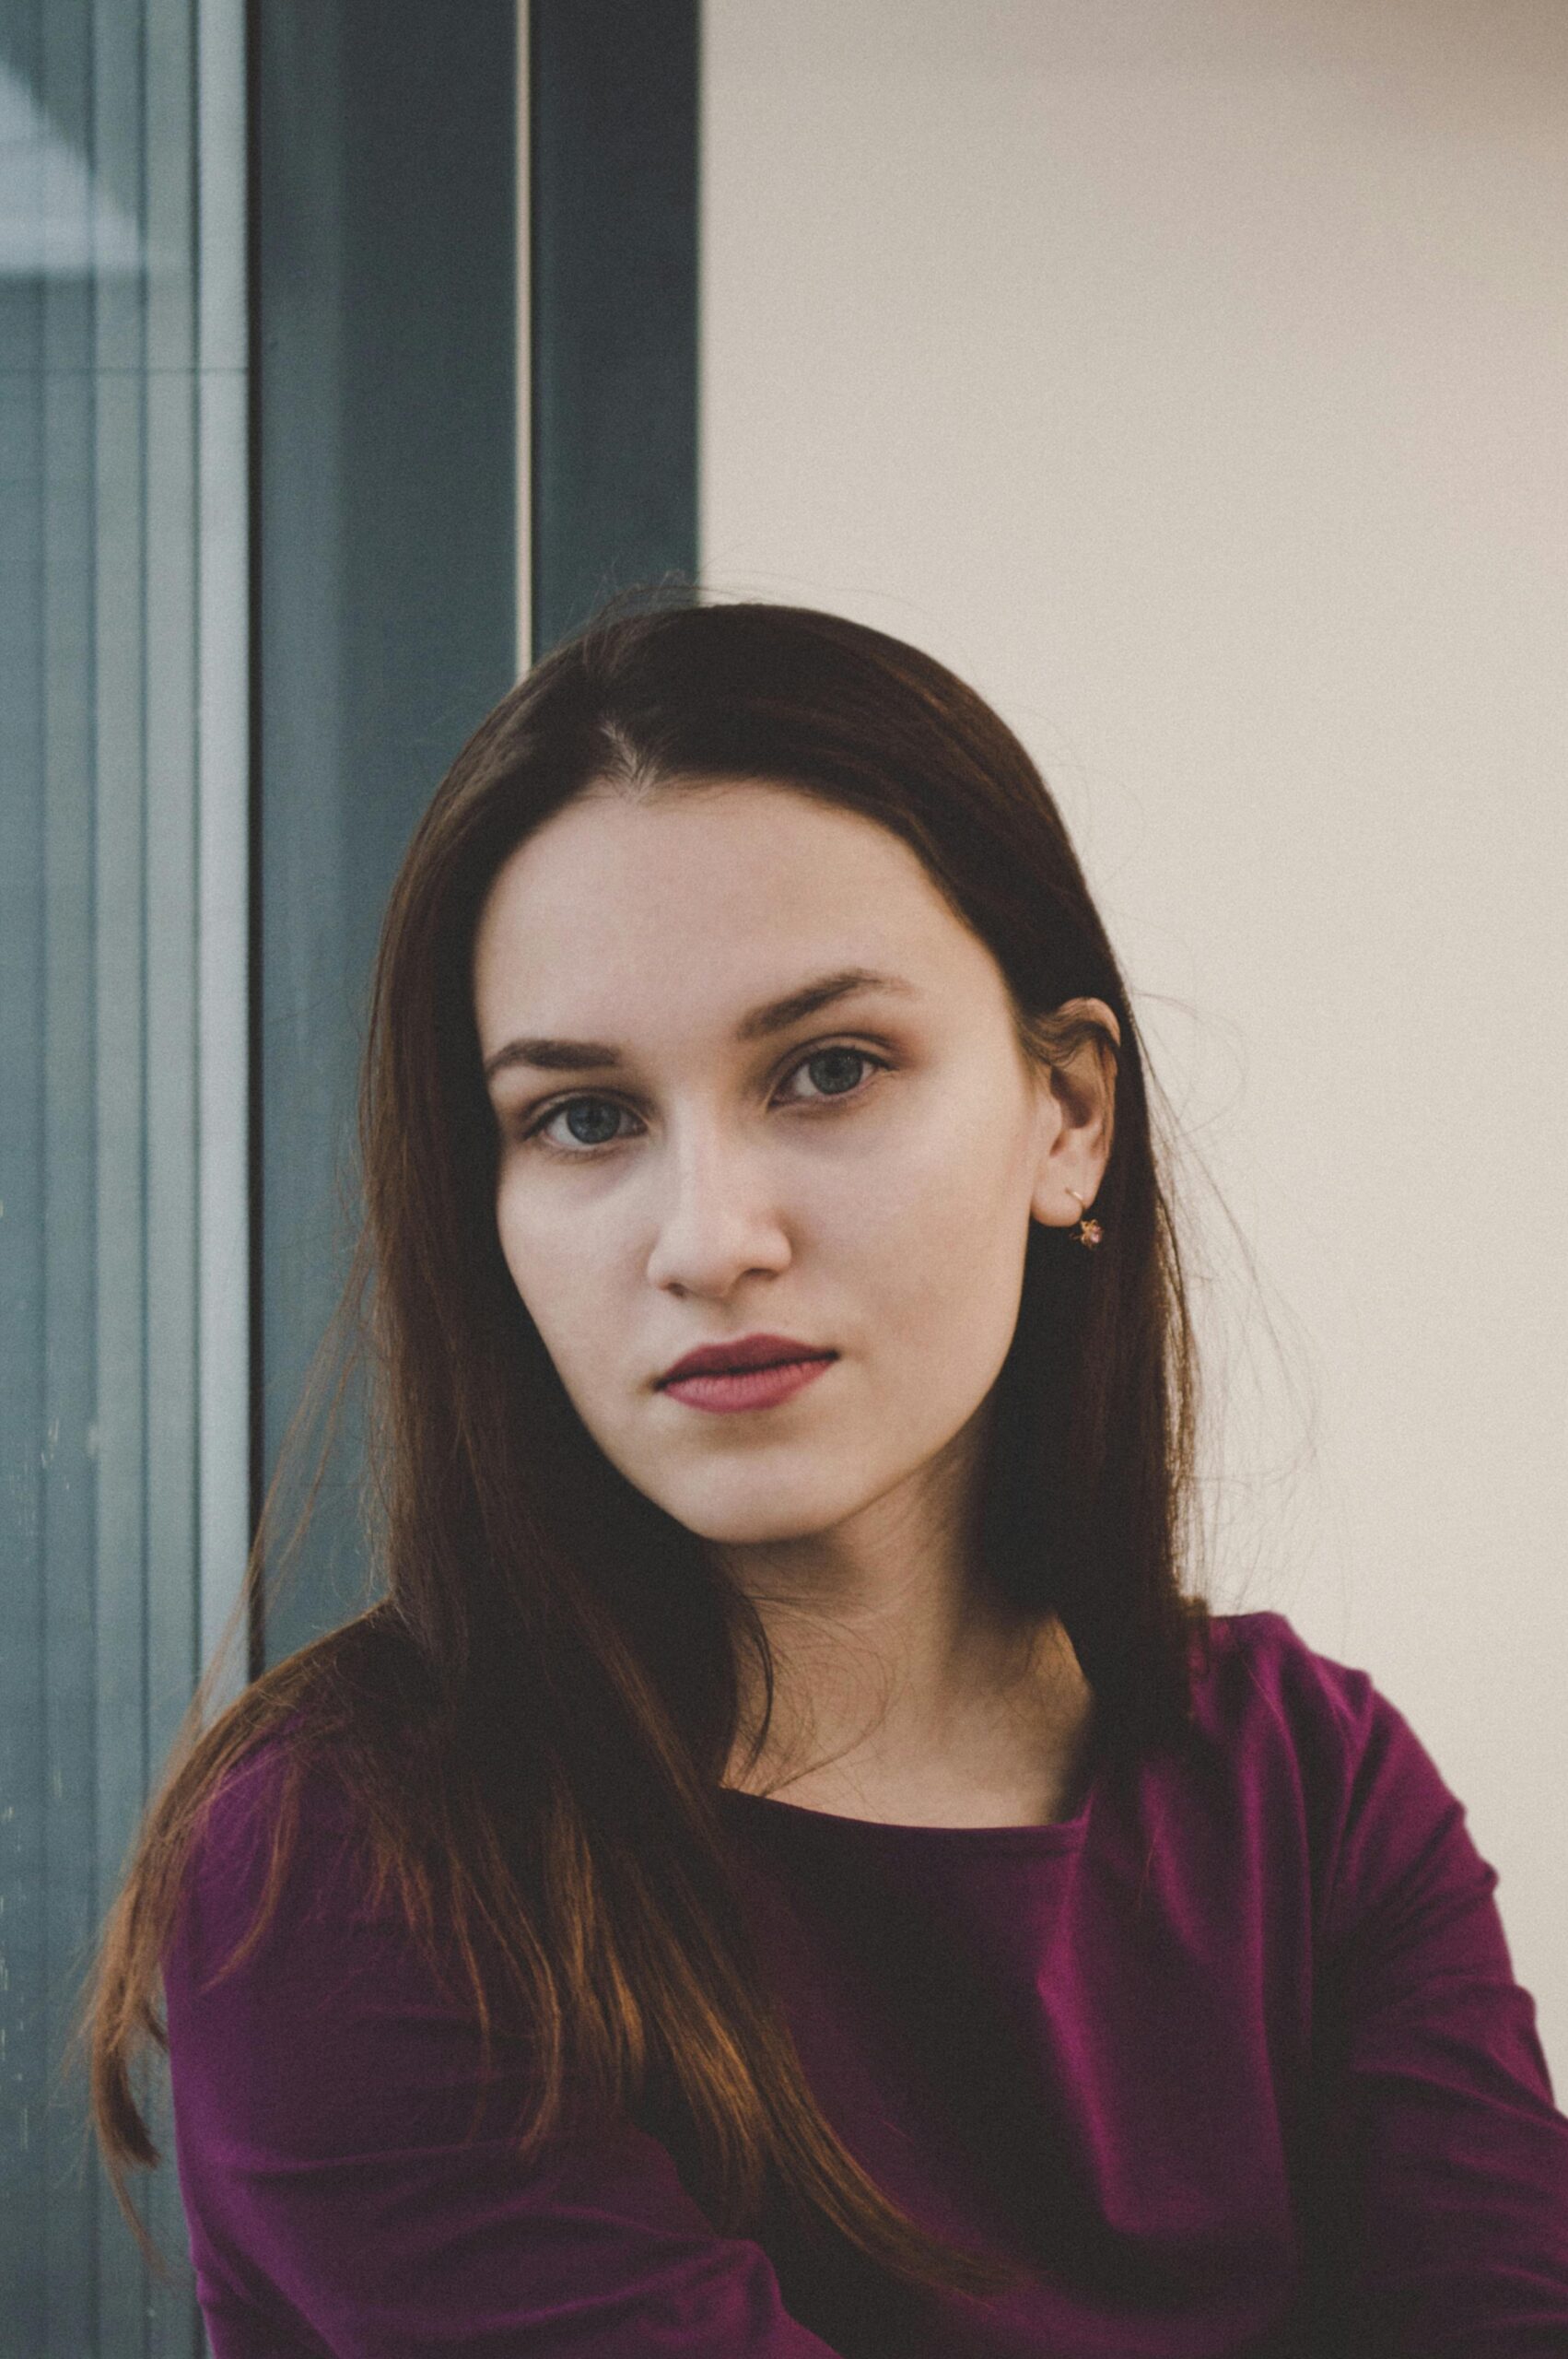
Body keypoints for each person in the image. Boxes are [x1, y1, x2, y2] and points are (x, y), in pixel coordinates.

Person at [82, 597, 1568, 2355]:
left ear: (1065, 1114)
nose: (710, 1240)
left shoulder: (1307, 1794)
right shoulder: (354, 1863)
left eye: (829, 1071)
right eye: (584, 1117)